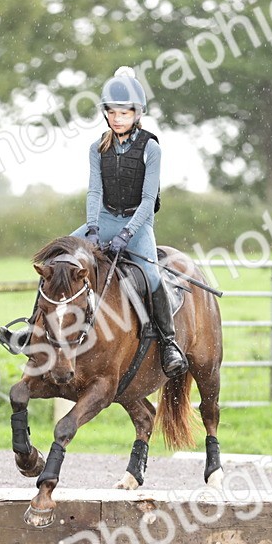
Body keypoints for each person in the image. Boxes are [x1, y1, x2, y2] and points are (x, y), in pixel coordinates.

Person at [71, 66, 188, 378]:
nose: (117, 118)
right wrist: (93, 227)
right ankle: (36, 330)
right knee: (62, 257)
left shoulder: (151, 148)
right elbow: (95, 191)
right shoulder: (97, 148)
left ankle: (169, 343)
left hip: (138, 223)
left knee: (150, 273)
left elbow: (148, 202)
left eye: (124, 112)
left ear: (138, 113)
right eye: (112, 112)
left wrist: (127, 234)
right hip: (106, 218)